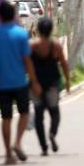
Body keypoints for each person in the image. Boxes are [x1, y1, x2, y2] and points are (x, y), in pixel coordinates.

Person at [0, 1, 42, 165]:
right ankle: (17, 142)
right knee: (24, 113)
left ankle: (7, 154)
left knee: (6, 117)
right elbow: (27, 60)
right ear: (13, 15)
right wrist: (35, 81)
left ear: (0, 16)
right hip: (19, 81)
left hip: (1, 83)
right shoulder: (21, 34)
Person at [30, 17, 71, 155]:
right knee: (55, 113)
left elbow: (27, 65)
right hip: (53, 84)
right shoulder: (56, 46)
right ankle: (52, 133)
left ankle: (43, 147)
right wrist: (67, 81)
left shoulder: (32, 46)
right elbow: (64, 64)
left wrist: (32, 81)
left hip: (36, 85)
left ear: (38, 30)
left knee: (38, 115)